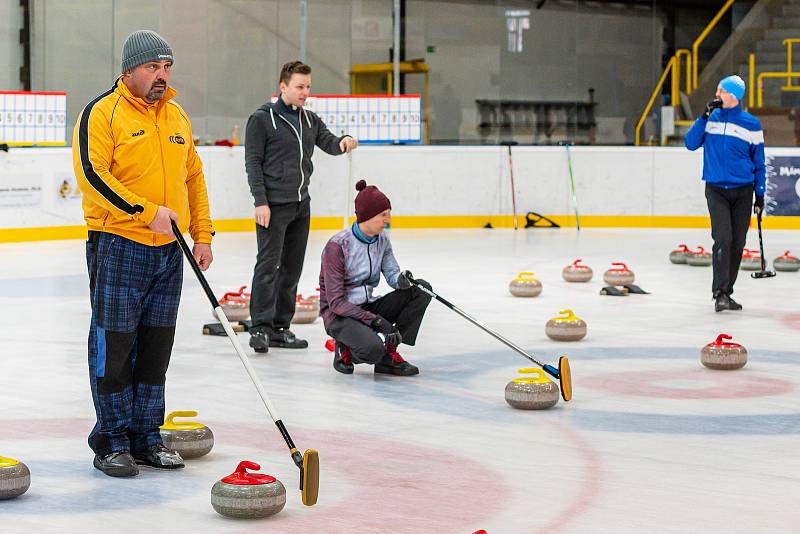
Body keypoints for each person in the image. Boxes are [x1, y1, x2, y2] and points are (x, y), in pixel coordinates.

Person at [72, 30, 214, 477]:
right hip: (118, 244)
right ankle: (111, 440)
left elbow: (194, 177)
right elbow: (92, 174)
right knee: (115, 346)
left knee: (156, 347)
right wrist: (145, 211)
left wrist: (203, 233)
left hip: (169, 250)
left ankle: (146, 436)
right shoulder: (102, 112)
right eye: (153, 66)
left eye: (167, 66)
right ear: (129, 69)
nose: (161, 75)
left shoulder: (176, 116)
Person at [245, 61, 358, 353]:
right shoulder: (262, 119)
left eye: (307, 87)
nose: (305, 92)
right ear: (283, 87)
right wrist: (261, 201)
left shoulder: (309, 120)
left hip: (300, 206)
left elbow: (329, 142)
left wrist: (343, 141)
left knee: (291, 269)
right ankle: (260, 328)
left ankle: (281, 327)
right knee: (268, 266)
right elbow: (253, 164)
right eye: (299, 87)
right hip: (272, 206)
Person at [319, 180, 431, 376]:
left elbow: (392, 274)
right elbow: (336, 303)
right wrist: (379, 322)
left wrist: (402, 280)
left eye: (389, 214)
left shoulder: (382, 240)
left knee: (421, 289)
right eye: (383, 215)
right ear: (368, 216)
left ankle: (389, 355)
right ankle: (344, 347)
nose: (388, 220)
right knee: (372, 350)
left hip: (368, 305)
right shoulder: (337, 246)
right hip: (341, 314)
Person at [685, 75, 766, 312]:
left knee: (738, 243)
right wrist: (702, 117)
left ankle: (727, 292)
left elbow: (759, 162)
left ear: (734, 95)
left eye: (722, 90)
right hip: (716, 189)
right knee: (723, 239)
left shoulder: (751, 124)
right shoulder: (710, 119)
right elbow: (690, 144)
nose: (717, 94)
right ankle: (719, 292)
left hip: (743, 191)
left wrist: (759, 194)